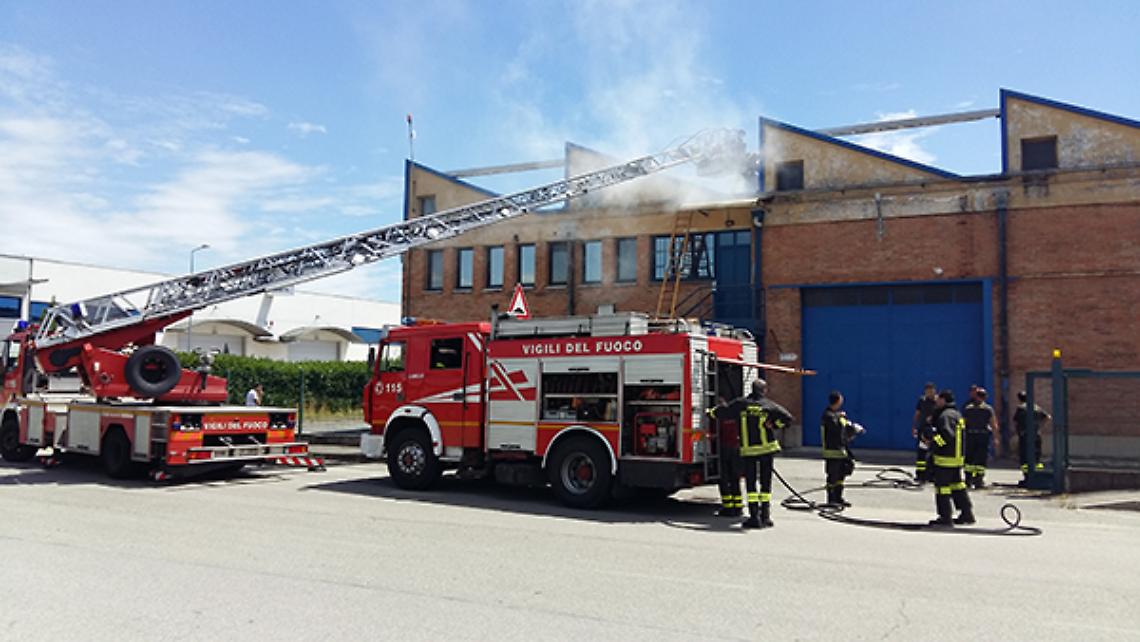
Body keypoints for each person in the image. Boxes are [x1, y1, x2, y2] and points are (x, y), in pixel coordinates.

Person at [717, 379, 794, 529]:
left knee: (751, 484)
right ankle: (765, 516)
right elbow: (788, 419)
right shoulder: (769, 405)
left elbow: (723, 412)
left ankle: (754, 518)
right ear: (764, 390)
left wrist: (710, 412)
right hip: (767, 450)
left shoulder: (741, 404)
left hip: (750, 451)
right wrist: (774, 425)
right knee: (766, 484)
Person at [927, 389, 974, 526]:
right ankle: (967, 514)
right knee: (957, 485)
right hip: (956, 458)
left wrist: (933, 441)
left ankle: (945, 517)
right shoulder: (956, 414)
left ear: (943, 400)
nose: (936, 401)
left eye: (938, 399)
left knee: (942, 488)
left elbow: (947, 436)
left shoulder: (945, 416)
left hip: (945, 459)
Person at [820, 390, 865, 507]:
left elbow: (844, 430)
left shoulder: (837, 415)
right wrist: (841, 419)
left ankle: (838, 498)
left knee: (842, 474)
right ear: (838, 401)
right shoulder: (828, 416)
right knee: (832, 476)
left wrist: (854, 429)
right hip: (832, 451)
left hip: (841, 450)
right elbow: (837, 430)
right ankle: (831, 500)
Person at [708, 397, 743, 517]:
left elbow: (713, 432)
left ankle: (728, 507)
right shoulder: (735, 415)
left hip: (724, 449)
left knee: (723, 478)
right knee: (735, 479)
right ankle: (738, 507)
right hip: (736, 448)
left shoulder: (718, 416)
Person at [962, 387, 999, 488]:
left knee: (970, 457)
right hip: (982, 436)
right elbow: (993, 424)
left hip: (971, 435)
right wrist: (996, 437)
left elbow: (963, 423)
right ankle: (978, 480)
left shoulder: (968, 408)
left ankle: (969, 479)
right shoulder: (988, 409)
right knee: (980, 457)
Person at [1013, 390, 1051, 481]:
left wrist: (1017, 432)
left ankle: (1027, 477)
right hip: (1036, 435)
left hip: (1025, 435)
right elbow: (1048, 417)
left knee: (1025, 457)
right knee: (1036, 456)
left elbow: (1015, 421)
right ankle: (1037, 476)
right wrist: (1039, 427)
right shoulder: (1036, 407)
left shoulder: (1020, 408)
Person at [912, 382, 938, 483]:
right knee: (922, 452)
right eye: (927, 391)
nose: (929, 393)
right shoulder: (922, 401)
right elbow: (917, 414)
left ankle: (932, 475)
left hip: (935, 431)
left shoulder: (937, 401)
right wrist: (914, 427)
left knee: (934, 452)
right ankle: (920, 474)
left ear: (934, 391)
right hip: (923, 431)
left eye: (931, 391)